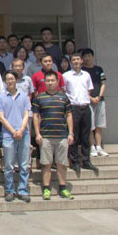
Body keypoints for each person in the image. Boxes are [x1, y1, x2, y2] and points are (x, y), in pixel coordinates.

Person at [32, 71, 75, 200]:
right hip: (46, 136)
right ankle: (46, 188)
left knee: (62, 163)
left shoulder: (64, 97)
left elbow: (69, 115)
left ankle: (63, 187)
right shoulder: (39, 98)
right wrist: (37, 133)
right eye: (48, 80)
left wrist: (71, 133)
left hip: (62, 136)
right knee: (46, 164)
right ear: (44, 82)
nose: (50, 83)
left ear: (57, 82)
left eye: (52, 80)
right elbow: (35, 116)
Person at [0, 71, 31, 203]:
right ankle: (9, 190)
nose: (10, 81)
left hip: (24, 134)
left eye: (12, 78)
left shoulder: (24, 96)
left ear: (16, 80)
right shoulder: (0, 98)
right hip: (8, 135)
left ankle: (23, 190)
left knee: (24, 164)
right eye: (7, 79)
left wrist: (21, 130)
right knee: (9, 165)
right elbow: (1, 117)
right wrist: (13, 131)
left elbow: (26, 114)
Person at [63, 53, 97, 174]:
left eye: (78, 59)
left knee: (86, 136)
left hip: (85, 107)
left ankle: (86, 160)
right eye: (74, 60)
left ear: (81, 61)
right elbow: (63, 91)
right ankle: (75, 161)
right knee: (74, 135)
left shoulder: (86, 75)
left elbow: (88, 91)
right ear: (71, 62)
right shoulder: (66, 75)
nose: (76, 61)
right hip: (73, 108)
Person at [81, 48, 109, 157]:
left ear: (92, 57)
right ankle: (92, 147)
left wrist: (99, 96)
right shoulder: (82, 71)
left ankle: (99, 146)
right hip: (88, 101)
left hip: (100, 101)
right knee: (90, 125)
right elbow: (82, 88)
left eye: (89, 56)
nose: (87, 58)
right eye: (85, 56)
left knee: (99, 124)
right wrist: (91, 98)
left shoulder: (99, 69)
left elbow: (103, 84)